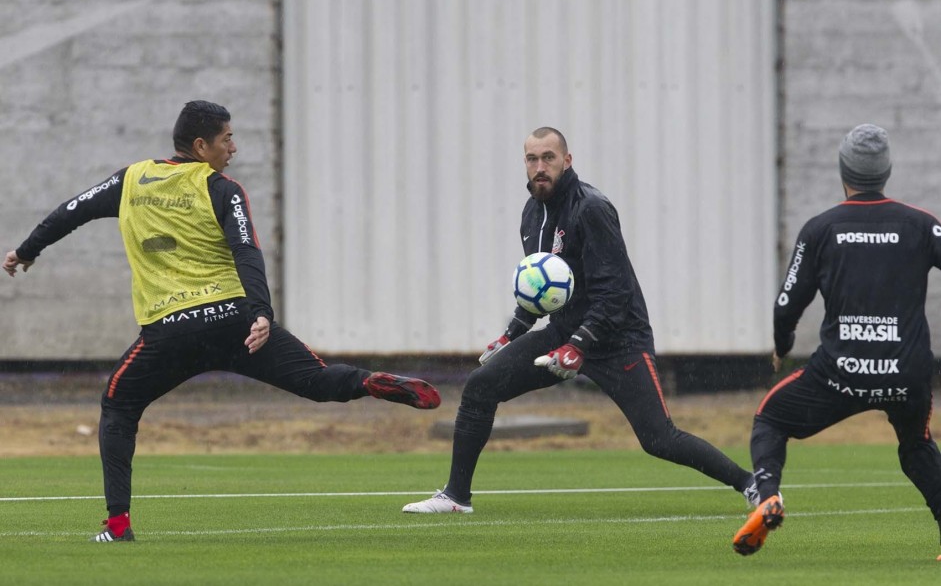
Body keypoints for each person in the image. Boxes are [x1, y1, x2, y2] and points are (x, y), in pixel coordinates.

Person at [3, 100, 441, 543]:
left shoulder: (131, 179)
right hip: (234, 322)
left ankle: (118, 526)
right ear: (201, 145)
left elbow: (69, 211)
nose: (233, 147)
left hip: (170, 332)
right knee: (319, 381)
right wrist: (261, 312)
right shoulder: (222, 189)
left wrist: (26, 251)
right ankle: (371, 382)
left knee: (118, 406)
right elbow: (246, 249)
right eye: (226, 138)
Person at [402, 126, 756, 514]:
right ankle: (456, 498)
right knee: (481, 387)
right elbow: (540, 289)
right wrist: (511, 333)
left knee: (659, 439)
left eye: (548, 158)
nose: (540, 167)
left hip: (619, 339)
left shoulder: (592, 209)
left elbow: (615, 293)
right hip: (564, 334)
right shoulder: (532, 212)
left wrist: (579, 345)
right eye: (532, 159)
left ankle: (751, 484)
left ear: (567, 161)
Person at [732, 124, 941, 558]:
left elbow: (788, 302)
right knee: (917, 446)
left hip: (840, 373)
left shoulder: (821, 228)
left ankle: (768, 494)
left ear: (843, 170)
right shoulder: (922, 225)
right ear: (885, 171)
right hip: (906, 373)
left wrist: (783, 342)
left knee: (771, 418)